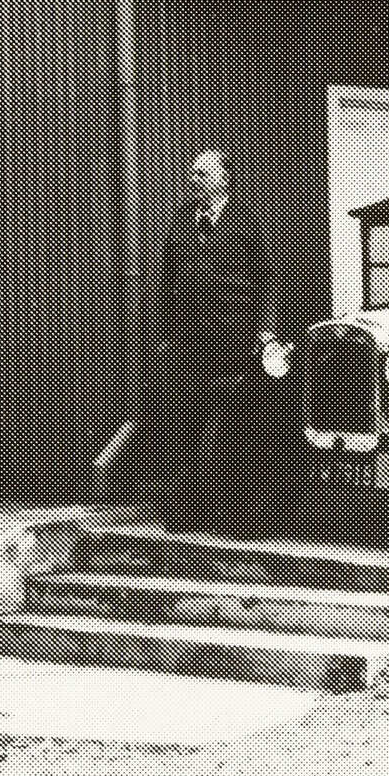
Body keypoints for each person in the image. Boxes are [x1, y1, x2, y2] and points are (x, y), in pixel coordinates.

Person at [148, 149, 292, 533]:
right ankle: (184, 514)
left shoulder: (247, 224)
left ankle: (239, 516)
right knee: (183, 422)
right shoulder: (179, 226)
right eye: (192, 173)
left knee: (236, 422)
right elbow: (165, 288)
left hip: (236, 337)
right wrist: (165, 337)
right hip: (188, 339)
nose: (194, 179)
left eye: (203, 173)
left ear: (224, 178)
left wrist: (265, 333)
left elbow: (267, 286)